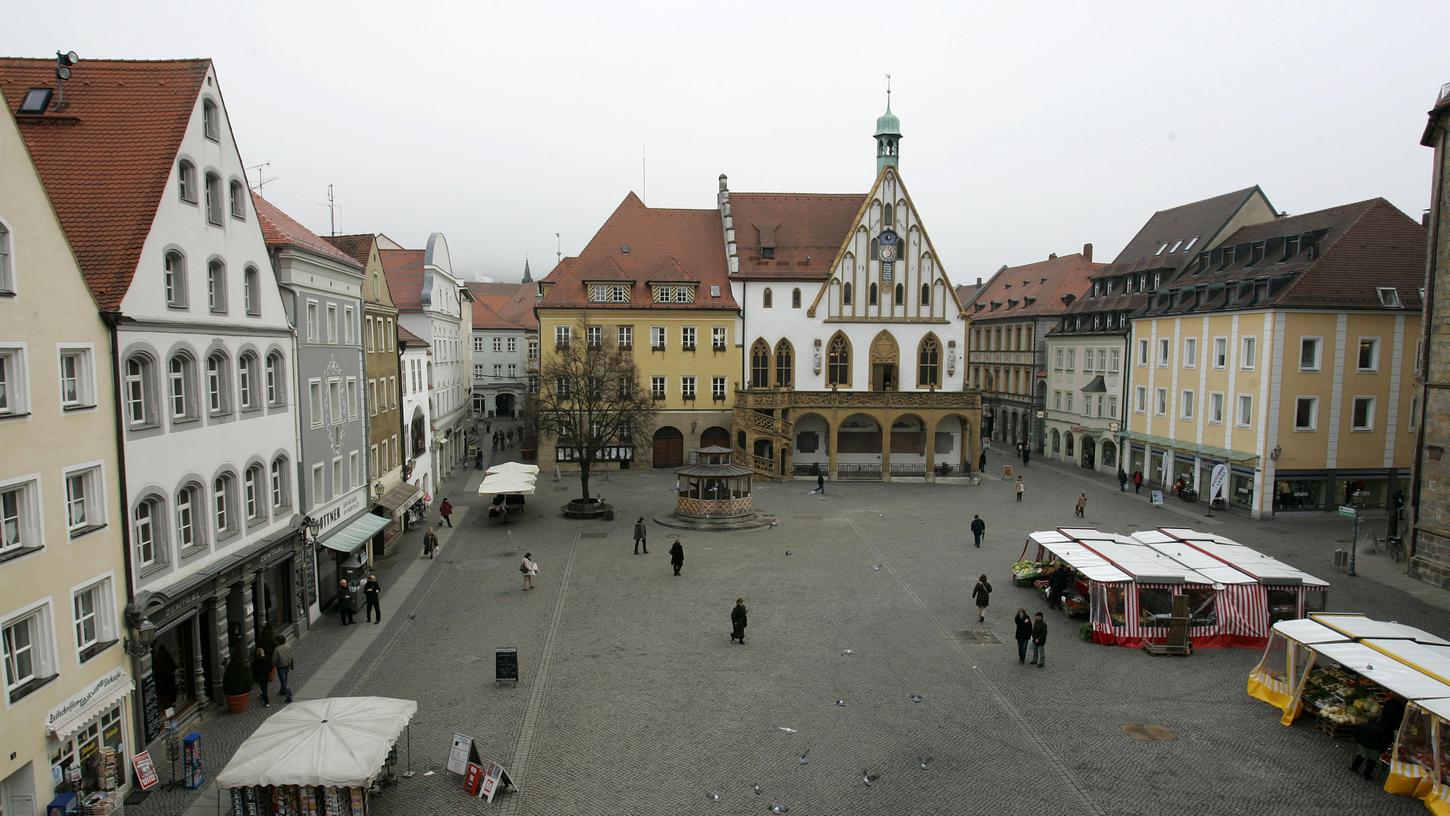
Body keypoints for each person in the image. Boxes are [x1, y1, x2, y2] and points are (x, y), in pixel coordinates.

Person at [1349, 696, 1406, 779]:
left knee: (1361, 754)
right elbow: (1383, 741)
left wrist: (1358, 740)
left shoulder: (1371, 723)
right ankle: (1367, 775)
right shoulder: (1396, 713)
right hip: (1376, 743)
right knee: (1372, 760)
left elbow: (1357, 732)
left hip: (1366, 740)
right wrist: (1383, 749)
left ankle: (1354, 767)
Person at [272, 634, 295, 703]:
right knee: (284, 679)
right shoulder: (288, 646)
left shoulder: (277, 649)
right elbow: (291, 656)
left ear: (278, 641)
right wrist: (292, 664)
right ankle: (282, 691)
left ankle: (289, 696)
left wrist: (272, 666)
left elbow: (274, 660)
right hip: (287, 666)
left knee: (283, 681)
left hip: (281, 667)